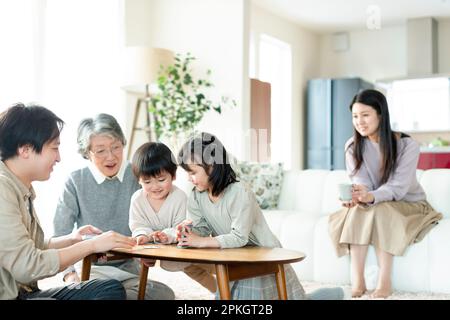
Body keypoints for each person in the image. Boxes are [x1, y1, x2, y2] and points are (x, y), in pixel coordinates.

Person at [176, 132, 345, 300]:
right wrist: (188, 233)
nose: (189, 178)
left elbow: (239, 237)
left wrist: (201, 241)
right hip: (232, 255)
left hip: (260, 254)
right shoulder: (197, 195)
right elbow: (202, 229)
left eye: (192, 172)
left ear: (212, 166)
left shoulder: (239, 191)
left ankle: (339, 294)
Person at [0, 103, 136, 300]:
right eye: (54, 148)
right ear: (26, 149)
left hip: (28, 293)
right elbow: (28, 266)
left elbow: (32, 247)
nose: (59, 158)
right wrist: (92, 246)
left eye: (116, 147)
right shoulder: (3, 189)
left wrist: (73, 239)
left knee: (109, 289)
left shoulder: (21, 186)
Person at [328, 89, 443, 298]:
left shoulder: (407, 145)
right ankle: (358, 280)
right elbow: (361, 181)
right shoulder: (352, 146)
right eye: (355, 116)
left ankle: (384, 280)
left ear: (380, 114)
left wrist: (371, 197)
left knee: (380, 209)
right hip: (377, 203)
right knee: (359, 210)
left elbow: (398, 188)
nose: (359, 122)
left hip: (410, 204)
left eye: (365, 115)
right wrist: (358, 195)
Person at [53, 113, 174, 300]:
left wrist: (150, 246)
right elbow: (60, 235)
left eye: (116, 147)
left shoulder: (139, 176)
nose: (111, 157)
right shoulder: (75, 181)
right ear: (87, 153)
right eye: (100, 151)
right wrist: (70, 276)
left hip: (129, 273)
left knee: (164, 295)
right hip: (90, 272)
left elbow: (156, 222)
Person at [129, 142, 217, 293]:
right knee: (193, 271)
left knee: (203, 267)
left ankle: (226, 288)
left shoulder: (180, 197)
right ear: (139, 180)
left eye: (161, 180)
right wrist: (142, 235)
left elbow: (182, 225)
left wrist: (167, 235)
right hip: (153, 249)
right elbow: (138, 224)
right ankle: (221, 292)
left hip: (184, 248)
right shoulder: (137, 199)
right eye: (147, 182)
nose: (155, 186)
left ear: (173, 175)